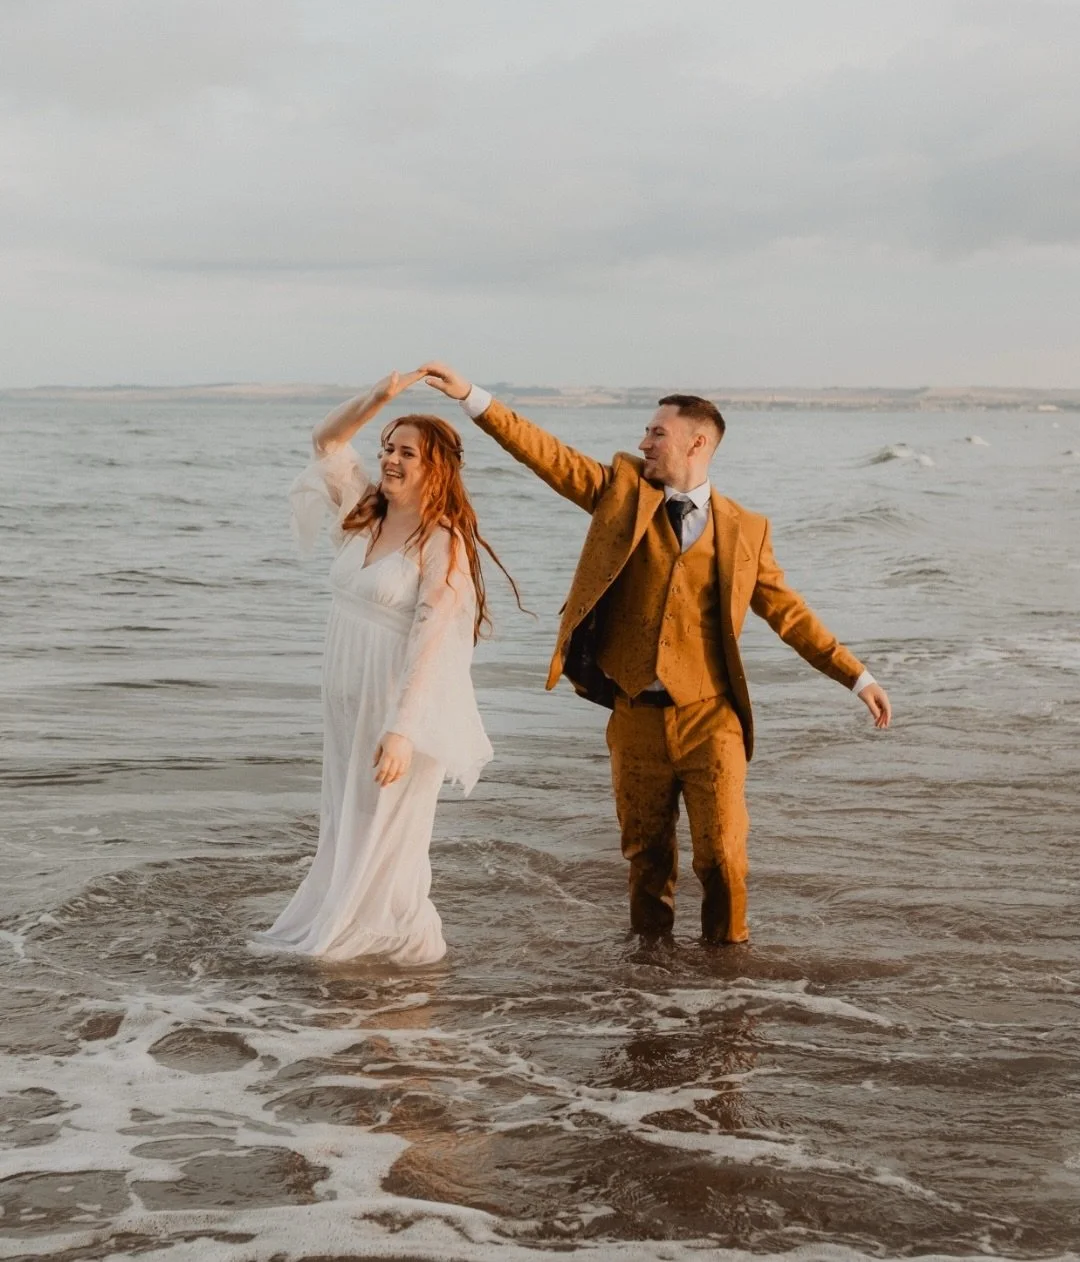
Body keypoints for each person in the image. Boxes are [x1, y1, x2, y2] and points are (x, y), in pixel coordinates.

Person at [422, 363, 892, 946]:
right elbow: (546, 455)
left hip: (709, 718)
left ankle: (729, 986)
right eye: (645, 432)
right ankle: (649, 989)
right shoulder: (621, 493)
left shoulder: (746, 530)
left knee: (723, 860)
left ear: (697, 442)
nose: (643, 442)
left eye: (656, 433)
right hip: (634, 716)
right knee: (646, 861)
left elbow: (790, 615)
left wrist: (857, 676)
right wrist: (473, 397)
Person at [255, 369, 517, 965]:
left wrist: (404, 728)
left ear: (435, 467)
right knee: (344, 815)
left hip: (394, 701)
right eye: (386, 448)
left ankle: (382, 937)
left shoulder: (441, 541)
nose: (389, 460)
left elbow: (430, 641)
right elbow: (325, 442)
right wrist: (380, 398)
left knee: (384, 825)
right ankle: (342, 919)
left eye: (405, 452)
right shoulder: (364, 511)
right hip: (345, 694)